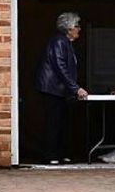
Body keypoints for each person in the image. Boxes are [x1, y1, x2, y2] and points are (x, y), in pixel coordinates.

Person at [35, 12, 88, 165]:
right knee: (54, 122)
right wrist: (76, 88)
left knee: (63, 122)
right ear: (69, 28)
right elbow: (60, 67)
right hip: (53, 89)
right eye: (77, 26)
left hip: (59, 89)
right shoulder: (59, 41)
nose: (79, 29)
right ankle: (51, 155)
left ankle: (61, 154)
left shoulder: (66, 42)